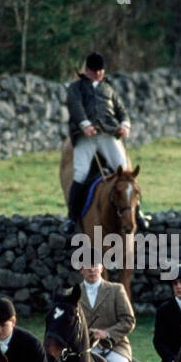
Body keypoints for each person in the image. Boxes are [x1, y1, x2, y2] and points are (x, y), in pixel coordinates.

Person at [63, 51, 149, 234]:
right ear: (87, 70)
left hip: (108, 135)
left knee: (126, 172)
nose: (98, 74)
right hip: (86, 137)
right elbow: (76, 108)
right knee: (80, 174)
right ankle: (72, 218)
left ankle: (138, 213)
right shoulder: (75, 88)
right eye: (95, 71)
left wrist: (125, 125)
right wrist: (84, 125)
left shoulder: (108, 89)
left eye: (101, 71)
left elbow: (121, 110)